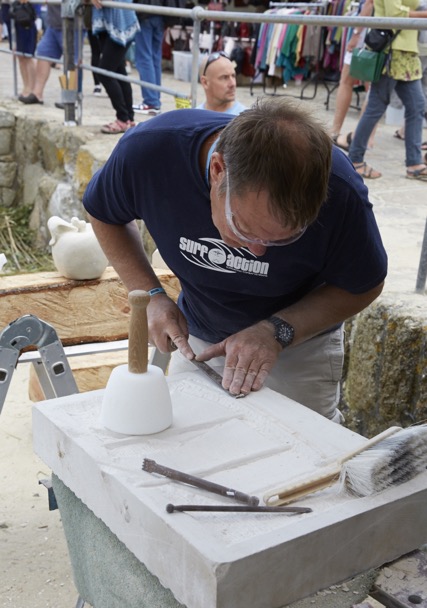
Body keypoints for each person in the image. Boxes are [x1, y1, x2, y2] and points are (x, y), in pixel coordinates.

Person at [83, 98, 387, 423]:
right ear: (218, 171)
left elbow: (364, 283)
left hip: (298, 346)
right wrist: (152, 296)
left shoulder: (340, 191)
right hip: (201, 337)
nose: (257, 251)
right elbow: (102, 213)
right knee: (196, 446)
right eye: (246, 229)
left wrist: (278, 331)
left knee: (305, 459)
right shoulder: (150, 152)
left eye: (284, 239)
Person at [348, 0, 427, 180]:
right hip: (393, 51)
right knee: (377, 105)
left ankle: (414, 163)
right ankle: (355, 159)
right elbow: (395, 13)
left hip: (405, 51)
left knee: (416, 105)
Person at [330, 0, 375, 150]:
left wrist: (356, 33)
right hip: (376, 31)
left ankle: (338, 131)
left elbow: (370, 3)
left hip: (367, 32)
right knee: (371, 86)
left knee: (349, 81)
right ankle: (366, 137)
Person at [91, 0, 139, 133]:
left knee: (105, 73)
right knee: (118, 71)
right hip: (104, 21)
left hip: (120, 21)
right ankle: (128, 118)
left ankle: (123, 118)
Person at [18, 2, 61, 105]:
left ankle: (72, 98)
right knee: (43, 52)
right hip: (53, 24)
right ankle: (37, 94)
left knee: (73, 60)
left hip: (72, 24)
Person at [132, 0, 165, 116]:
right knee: (155, 59)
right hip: (161, 12)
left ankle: (151, 102)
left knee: (144, 58)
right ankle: (155, 100)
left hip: (145, 13)